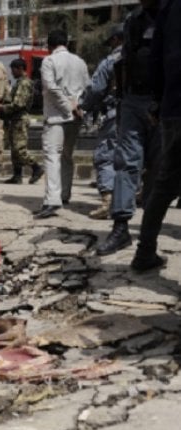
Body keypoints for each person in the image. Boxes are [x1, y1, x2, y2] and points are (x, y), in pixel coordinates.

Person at [96, 0, 162, 254]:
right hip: (134, 100)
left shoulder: (173, 16)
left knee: (160, 170)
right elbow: (125, 61)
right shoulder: (134, 20)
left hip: (166, 102)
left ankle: (149, 238)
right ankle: (121, 227)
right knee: (126, 162)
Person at [129, 0, 179, 272]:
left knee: (163, 186)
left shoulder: (168, 9)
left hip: (173, 107)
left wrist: (158, 102)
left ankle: (144, 252)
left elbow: (156, 59)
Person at [33, 30, 89, 219]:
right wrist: (78, 107)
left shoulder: (49, 61)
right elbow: (87, 87)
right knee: (66, 156)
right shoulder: (80, 62)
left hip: (57, 116)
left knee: (52, 157)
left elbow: (51, 88)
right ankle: (64, 194)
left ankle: (52, 201)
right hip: (76, 115)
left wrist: (67, 107)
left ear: (50, 45)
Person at [79, 24, 124, 219]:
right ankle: (133, 198)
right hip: (148, 114)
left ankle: (108, 202)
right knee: (135, 157)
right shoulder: (151, 56)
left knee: (105, 155)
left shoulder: (111, 61)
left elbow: (96, 90)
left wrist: (85, 106)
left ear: (115, 40)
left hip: (116, 114)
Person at [0, 58, 41, 185]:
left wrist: (2, 108)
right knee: (14, 149)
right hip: (15, 119)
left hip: (20, 118)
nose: (12, 72)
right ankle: (17, 175)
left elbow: (18, 103)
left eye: (13, 69)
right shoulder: (20, 82)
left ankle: (36, 167)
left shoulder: (24, 83)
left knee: (19, 149)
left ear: (20, 68)